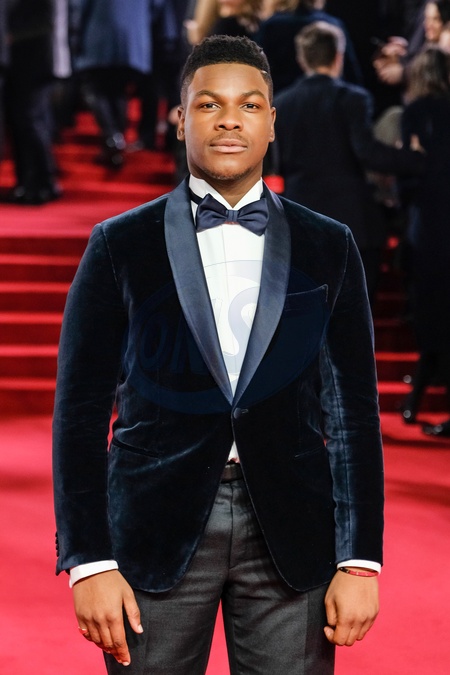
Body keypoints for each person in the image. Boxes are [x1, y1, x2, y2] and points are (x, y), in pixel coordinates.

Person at [53, 35, 384, 674]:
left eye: (248, 105)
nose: (230, 120)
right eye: (209, 104)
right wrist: (88, 560)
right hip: (153, 534)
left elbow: (353, 414)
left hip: (294, 533)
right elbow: (80, 413)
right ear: (180, 120)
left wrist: (360, 560)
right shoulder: (119, 244)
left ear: (272, 121)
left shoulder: (330, 244)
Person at [273, 21, 425, 303]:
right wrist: (416, 158)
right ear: (338, 56)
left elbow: (277, 163)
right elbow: (368, 153)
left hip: (298, 217)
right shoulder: (353, 99)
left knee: (308, 309)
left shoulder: (281, 104)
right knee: (353, 310)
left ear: (301, 58)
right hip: (352, 219)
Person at [399, 47, 450, 437]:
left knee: (430, 310)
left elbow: (408, 171)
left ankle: (416, 396)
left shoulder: (415, 113)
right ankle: (418, 395)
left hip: (428, 224)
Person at [255, 0, 362, 94]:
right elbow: (351, 75)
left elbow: (256, 72)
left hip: (281, 104)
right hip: (330, 103)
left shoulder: (271, 27)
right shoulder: (332, 24)